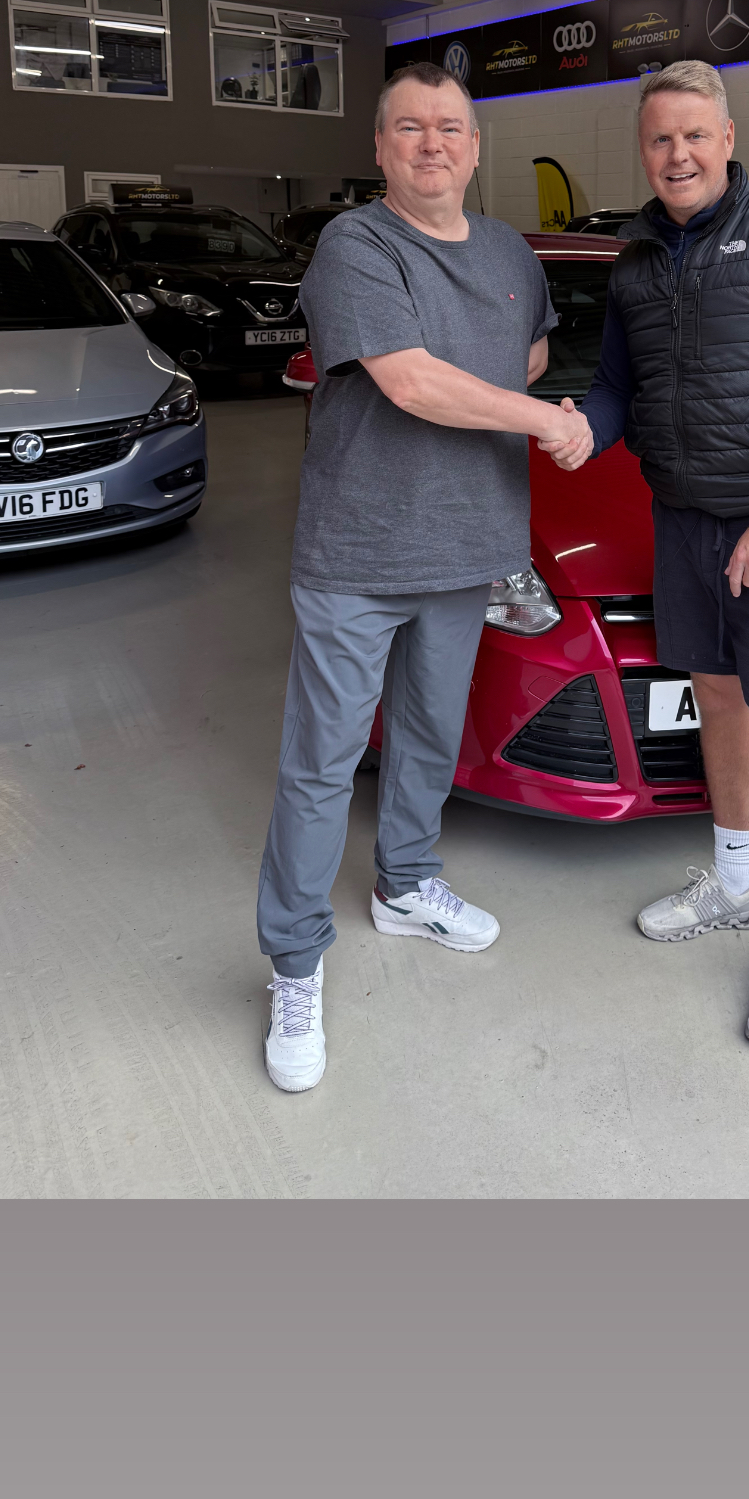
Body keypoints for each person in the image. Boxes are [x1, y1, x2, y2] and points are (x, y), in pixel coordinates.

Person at [258, 61, 591, 1091]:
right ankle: (295, 964)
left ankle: (405, 885)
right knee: (322, 765)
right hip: (357, 554)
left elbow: (530, 351)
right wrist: (539, 424)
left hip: (464, 549)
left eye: (450, 126)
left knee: (430, 735)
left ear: (476, 147)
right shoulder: (356, 245)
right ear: (380, 147)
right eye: (410, 127)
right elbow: (406, 380)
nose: (432, 142)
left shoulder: (507, 250)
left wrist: (494, 393)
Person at [556, 59, 749, 1050]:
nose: (678, 153)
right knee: (720, 702)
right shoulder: (636, 261)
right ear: (643, 150)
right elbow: (620, 386)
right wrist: (581, 428)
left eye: (695, 134)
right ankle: (736, 882)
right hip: (684, 522)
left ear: (728, 140)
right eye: (660, 138)